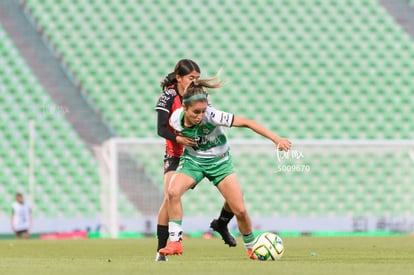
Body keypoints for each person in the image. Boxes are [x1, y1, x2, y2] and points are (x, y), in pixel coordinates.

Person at [158, 78, 291, 259]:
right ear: (184, 108)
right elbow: (169, 134)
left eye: (203, 111)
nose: (200, 115)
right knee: (173, 192)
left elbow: (247, 122)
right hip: (193, 162)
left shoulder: (212, 115)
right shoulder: (175, 120)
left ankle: (251, 247)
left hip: (220, 164)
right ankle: (175, 242)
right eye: (196, 112)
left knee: (240, 210)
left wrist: (276, 139)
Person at [154, 59, 236, 261]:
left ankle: (222, 223)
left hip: (200, 154)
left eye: (197, 78)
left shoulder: (199, 96)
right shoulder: (168, 96)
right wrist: (179, 138)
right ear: (179, 78)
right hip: (176, 154)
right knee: (169, 197)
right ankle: (161, 251)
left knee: (234, 196)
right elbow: (161, 129)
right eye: (191, 78)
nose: (194, 82)